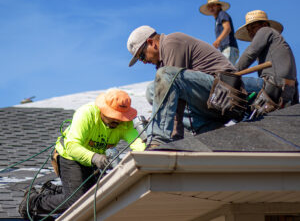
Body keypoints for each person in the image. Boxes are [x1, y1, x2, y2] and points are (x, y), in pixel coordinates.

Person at [127, 26, 262, 148]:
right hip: (210, 101)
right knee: (153, 90)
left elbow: (176, 100)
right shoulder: (164, 59)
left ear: (151, 43)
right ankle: (210, 129)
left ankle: (159, 139)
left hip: (225, 92)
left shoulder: (171, 42)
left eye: (142, 56)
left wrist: (173, 139)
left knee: (165, 75)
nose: (144, 62)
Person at [19, 89, 145, 219]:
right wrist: (95, 158)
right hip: (70, 157)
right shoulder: (86, 114)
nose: (117, 121)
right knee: (77, 202)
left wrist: (146, 157)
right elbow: (72, 146)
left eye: (120, 117)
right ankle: (32, 203)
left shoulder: (125, 122)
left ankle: (53, 191)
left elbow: (138, 145)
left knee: (101, 195)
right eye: (113, 116)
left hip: (93, 161)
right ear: (103, 109)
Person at [235, 10, 298, 113]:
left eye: (253, 27)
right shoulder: (278, 44)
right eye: (248, 30)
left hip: (273, 85)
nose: (250, 32)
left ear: (264, 24)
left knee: (234, 85)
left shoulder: (265, 30)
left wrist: (231, 74)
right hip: (286, 93)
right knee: (246, 111)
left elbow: (250, 53)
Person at [199, 0, 239, 64]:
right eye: (209, 6)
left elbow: (227, 28)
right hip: (224, 48)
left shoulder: (222, 14)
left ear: (219, 6)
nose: (211, 8)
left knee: (225, 70)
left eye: (213, 5)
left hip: (229, 47)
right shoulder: (217, 19)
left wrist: (218, 40)